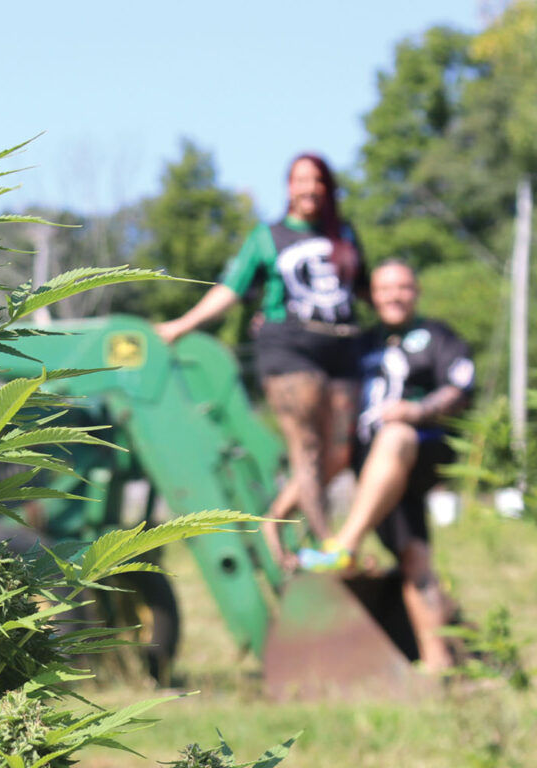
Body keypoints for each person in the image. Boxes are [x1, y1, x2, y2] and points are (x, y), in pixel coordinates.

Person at [155, 153, 367, 546]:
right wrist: (180, 327)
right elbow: (232, 290)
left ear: (329, 187)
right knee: (307, 452)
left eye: (318, 180)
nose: (310, 188)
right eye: (301, 180)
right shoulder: (268, 236)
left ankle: (275, 522)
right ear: (289, 187)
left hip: (343, 349)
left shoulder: (345, 235)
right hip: (289, 350)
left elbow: (367, 289)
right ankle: (326, 544)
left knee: (338, 453)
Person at [297, 259, 474, 672]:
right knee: (415, 559)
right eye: (385, 288)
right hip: (373, 470)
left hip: (423, 449)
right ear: (371, 296)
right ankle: (439, 664)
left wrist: (415, 410)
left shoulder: (438, 335)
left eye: (403, 287)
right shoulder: (361, 343)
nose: (394, 295)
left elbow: (460, 390)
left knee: (395, 434)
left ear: (417, 291)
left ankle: (346, 543)